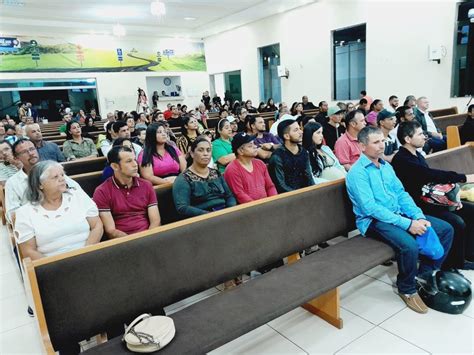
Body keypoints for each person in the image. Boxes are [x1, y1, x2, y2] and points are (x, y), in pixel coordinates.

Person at [346, 126, 453, 314]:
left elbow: (401, 194)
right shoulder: (357, 173)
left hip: (396, 214)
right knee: (409, 245)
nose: (382, 146)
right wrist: (408, 224)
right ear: (362, 146)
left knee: (445, 229)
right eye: (376, 142)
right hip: (373, 222)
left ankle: (424, 276)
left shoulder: (387, 167)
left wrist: (417, 216)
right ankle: (407, 288)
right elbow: (369, 208)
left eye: (383, 141)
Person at [392, 121, 474, 269]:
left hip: (432, 200)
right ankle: (453, 263)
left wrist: (452, 200)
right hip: (419, 206)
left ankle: (468, 255)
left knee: (470, 211)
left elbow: (431, 183)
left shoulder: (417, 155)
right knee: (456, 222)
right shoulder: (402, 159)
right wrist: (463, 177)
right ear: (407, 139)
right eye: (420, 134)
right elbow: (429, 175)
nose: (425, 137)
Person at [15, 160, 103, 259]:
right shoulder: (25, 213)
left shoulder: (77, 195)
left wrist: (86, 252)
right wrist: (57, 266)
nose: (62, 179)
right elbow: (28, 251)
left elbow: (97, 226)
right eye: (55, 177)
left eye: (62, 175)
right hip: (52, 266)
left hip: (90, 255)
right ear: (40, 184)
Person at [5, 139, 81, 223]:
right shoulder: (12, 183)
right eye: (24, 152)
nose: (30, 153)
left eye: (32, 149)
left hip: (66, 215)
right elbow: (11, 214)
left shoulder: (54, 170)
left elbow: (77, 190)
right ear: (16, 158)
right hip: (34, 223)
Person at [94, 146, 160, 238]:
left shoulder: (146, 185)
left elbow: (155, 221)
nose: (135, 164)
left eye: (134, 159)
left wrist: (148, 239)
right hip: (122, 242)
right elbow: (110, 230)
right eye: (129, 161)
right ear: (115, 166)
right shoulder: (102, 191)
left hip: (148, 236)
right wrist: (131, 243)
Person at [173, 136, 236, 217]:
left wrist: (230, 211)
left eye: (208, 150)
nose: (205, 154)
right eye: (200, 150)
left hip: (225, 213)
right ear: (192, 154)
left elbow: (229, 196)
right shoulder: (183, 179)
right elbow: (182, 208)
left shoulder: (216, 173)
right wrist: (210, 216)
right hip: (203, 219)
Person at [224, 132, 277, 204]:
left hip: (267, 205)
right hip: (248, 210)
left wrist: (274, 202)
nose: (255, 146)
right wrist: (259, 207)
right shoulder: (232, 169)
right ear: (240, 151)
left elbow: (270, 186)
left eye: (254, 143)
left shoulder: (260, 163)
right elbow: (240, 195)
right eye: (250, 146)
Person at [268, 120, 314, 193]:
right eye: (296, 130)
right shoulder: (277, 157)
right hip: (289, 197)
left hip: (305, 193)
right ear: (286, 136)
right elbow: (280, 185)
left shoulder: (303, 151)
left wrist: (314, 190)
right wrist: (299, 195)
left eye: (299, 128)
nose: (301, 132)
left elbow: (309, 176)